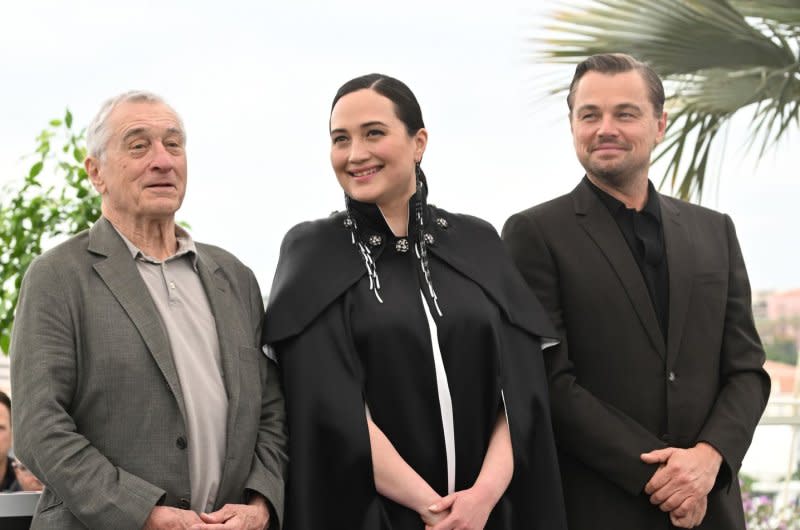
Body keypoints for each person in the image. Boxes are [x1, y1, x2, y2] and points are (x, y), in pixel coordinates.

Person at [261, 74, 567, 530]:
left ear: (418, 142)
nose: (355, 154)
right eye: (340, 139)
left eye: (374, 133)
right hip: (376, 515)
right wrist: (433, 510)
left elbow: (522, 394)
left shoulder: (477, 242)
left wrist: (480, 500)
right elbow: (330, 406)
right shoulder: (313, 253)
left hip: (491, 515)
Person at [502, 53, 771, 530]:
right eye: (590, 115)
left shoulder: (716, 232)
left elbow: (747, 371)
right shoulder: (533, 234)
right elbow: (549, 382)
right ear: (572, 125)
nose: (605, 128)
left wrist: (708, 460)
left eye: (625, 113)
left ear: (659, 123)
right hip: (599, 509)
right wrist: (667, 479)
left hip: (711, 511)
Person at [10, 91, 287, 529]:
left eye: (173, 144)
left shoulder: (235, 278)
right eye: (138, 146)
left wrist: (261, 501)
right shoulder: (58, 276)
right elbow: (38, 428)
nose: (163, 160)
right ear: (95, 173)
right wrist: (141, 513)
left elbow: (271, 409)